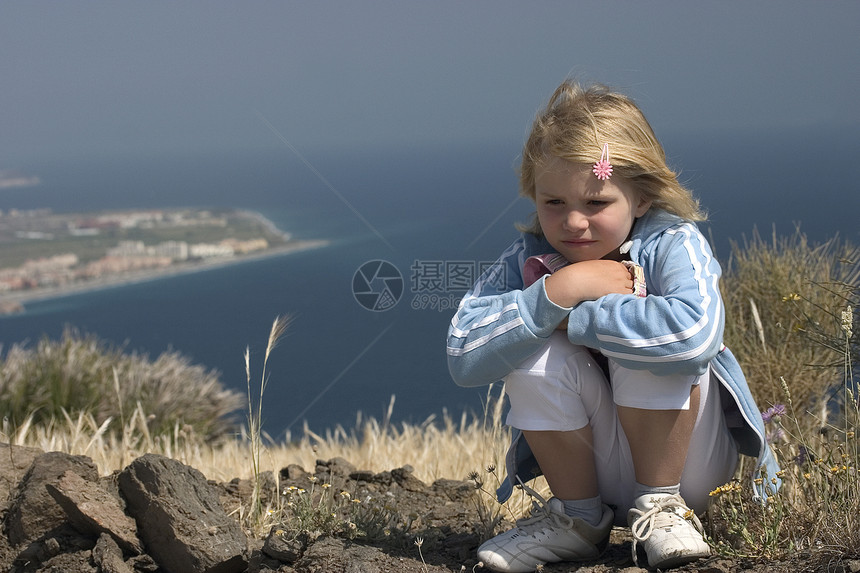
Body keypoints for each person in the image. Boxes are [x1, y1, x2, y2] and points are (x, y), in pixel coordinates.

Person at [446, 81, 781, 572]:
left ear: (641, 197)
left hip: (690, 470)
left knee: (650, 345)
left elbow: (694, 339)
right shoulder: (527, 256)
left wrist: (574, 318)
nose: (572, 222)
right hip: (594, 474)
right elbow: (463, 354)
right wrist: (561, 289)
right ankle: (577, 523)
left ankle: (662, 509)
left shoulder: (674, 243)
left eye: (596, 202)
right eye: (553, 202)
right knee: (533, 355)